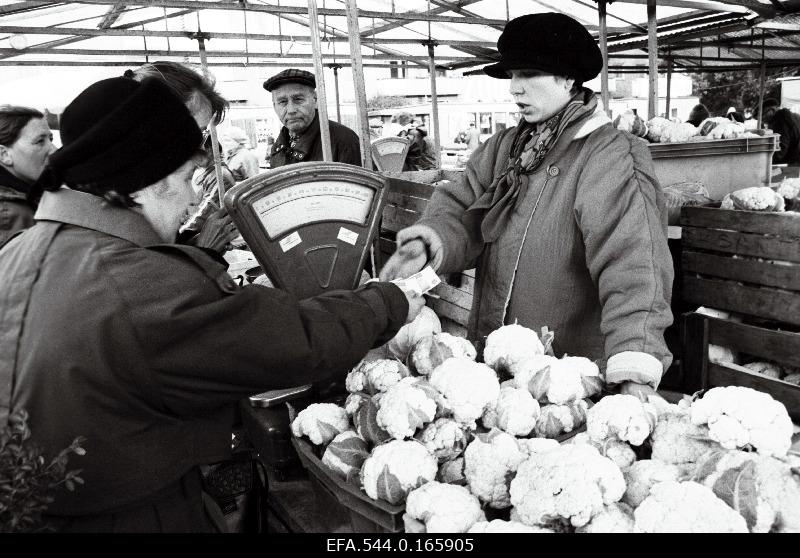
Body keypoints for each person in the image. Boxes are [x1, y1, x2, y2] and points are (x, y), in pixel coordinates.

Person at [0, 77, 423, 532]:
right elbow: (294, 342)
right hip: (130, 517)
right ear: (144, 182)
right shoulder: (139, 282)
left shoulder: (18, 251)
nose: (190, 197)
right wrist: (387, 299)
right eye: (186, 179)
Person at [380, 13, 674, 400]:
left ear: (569, 78)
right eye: (513, 75)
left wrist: (635, 367)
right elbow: (462, 209)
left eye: (530, 74)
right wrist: (428, 243)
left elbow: (635, 265)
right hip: (496, 368)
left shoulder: (610, 155)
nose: (515, 89)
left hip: (568, 377)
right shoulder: (505, 148)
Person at [263, 69, 361, 168]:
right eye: (283, 102)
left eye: (298, 99)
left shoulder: (345, 141)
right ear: (274, 106)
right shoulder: (278, 147)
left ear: (315, 100)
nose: (291, 110)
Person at [0, 105, 56, 246]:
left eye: (51, 139)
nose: (53, 150)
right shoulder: (9, 215)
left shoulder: (27, 196)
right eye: (40, 141)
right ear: (4, 154)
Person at [760, 98, 800, 165]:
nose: (763, 120)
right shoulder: (795, 116)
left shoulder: (780, 119)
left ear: (772, 110)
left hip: (794, 163)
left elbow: (780, 148)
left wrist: (767, 162)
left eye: (763, 115)